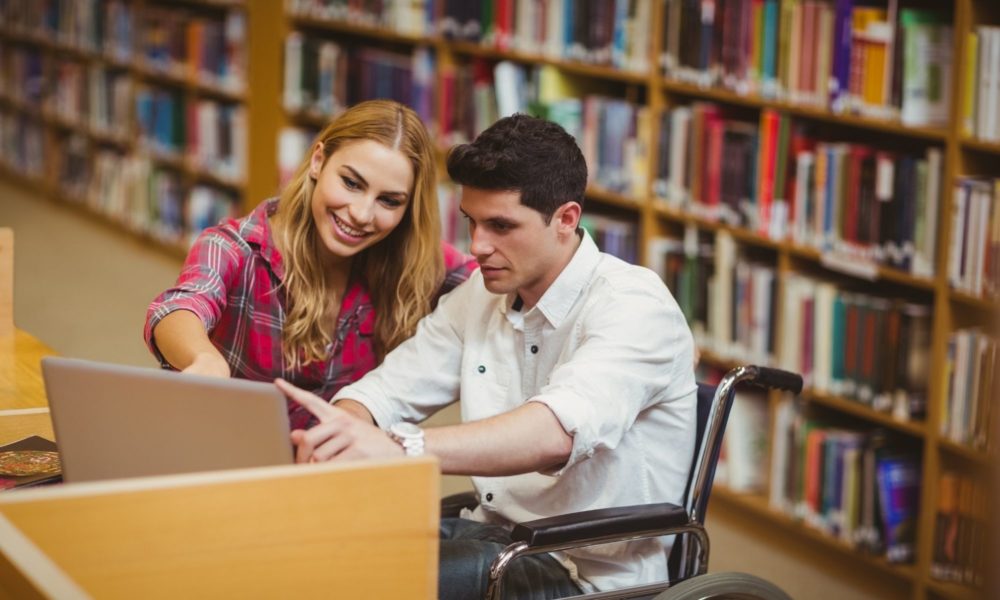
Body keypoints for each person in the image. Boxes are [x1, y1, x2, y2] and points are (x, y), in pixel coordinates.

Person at [278, 114, 697, 599]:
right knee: (312, 555)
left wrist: (402, 447)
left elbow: (554, 432)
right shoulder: (483, 293)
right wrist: (343, 429)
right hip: (493, 537)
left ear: (565, 219)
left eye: (501, 225)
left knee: (360, 584)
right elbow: (389, 389)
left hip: (584, 571)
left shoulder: (634, 305)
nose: (477, 246)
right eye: (473, 222)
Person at [144, 99, 477, 430]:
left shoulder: (412, 258)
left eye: (389, 201)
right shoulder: (235, 248)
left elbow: (493, 278)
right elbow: (179, 306)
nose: (361, 214)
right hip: (236, 459)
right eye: (351, 183)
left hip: (334, 469)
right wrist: (203, 358)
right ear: (318, 161)